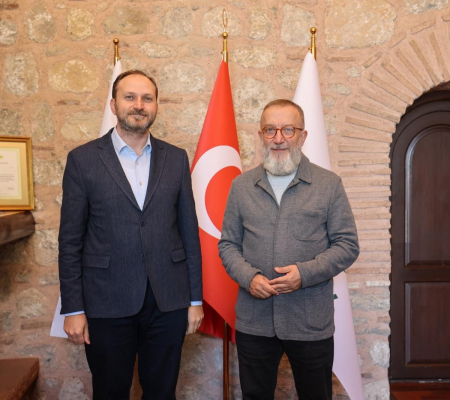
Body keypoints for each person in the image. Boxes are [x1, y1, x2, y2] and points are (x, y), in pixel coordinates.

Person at [58, 70, 204, 400]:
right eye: (130, 97)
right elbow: (70, 241)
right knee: (110, 392)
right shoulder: (82, 160)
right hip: (105, 301)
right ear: (113, 104)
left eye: (147, 98)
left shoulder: (176, 158)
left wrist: (195, 300)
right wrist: (73, 309)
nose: (138, 105)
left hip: (168, 300)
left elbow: (188, 233)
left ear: (155, 106)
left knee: (163, 392)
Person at [218, 99, 359, 400]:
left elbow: (347, 245)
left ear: (303, 136)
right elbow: (228, 244)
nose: (278, 138)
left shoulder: (328, 184)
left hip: (310, 321)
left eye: (288, 130)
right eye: (270, 130)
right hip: (254, 321)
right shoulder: (241, 186)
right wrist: (248, 277)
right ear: (260, 135)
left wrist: (304, 274)